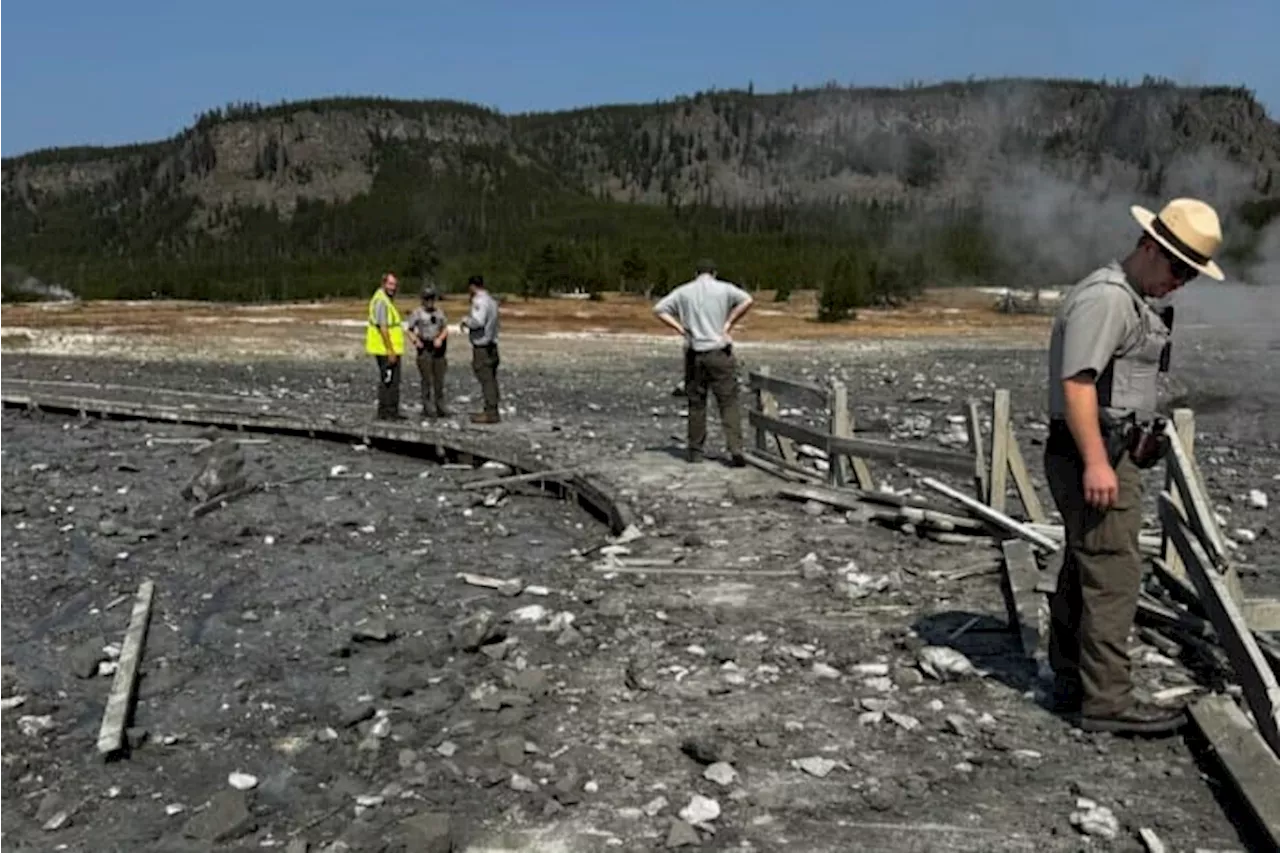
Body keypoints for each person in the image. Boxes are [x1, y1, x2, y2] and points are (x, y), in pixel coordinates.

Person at [1044, 197, 1225, 736]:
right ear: (1150, 247)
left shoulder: (1129, 299)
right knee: (1114, 574)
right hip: (1091, 452)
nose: (1181, 281)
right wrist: (1099, 462)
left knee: (1088, 565)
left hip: (1104, 448)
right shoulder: (1108, 300)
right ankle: (1108, 702)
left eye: (1190, 274)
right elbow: (1077, 384)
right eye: (1178, 268)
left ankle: (1074, 678)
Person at [653, 258, 755, 466]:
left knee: (697, 403)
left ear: (696, 273)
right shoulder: (724, 289)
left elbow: (659, 309)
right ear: (714, 273)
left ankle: (695, 451)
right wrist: (728, 323)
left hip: (694, 351)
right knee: (728, 402)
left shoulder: (684, 291)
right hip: (719, 350)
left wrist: (680, 328)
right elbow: (747, 300)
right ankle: (735, 448)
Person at [459, 274, 501, 424]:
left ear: (472, 286)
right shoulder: (492, 301)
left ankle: (491, 411)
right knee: (491, 378)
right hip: (492, 344)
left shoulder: (480, 301)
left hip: (482, 346)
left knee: (486, 378)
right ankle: (491, 407)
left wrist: (466, 321)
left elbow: (478, 321)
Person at [403, 285, 450, 418]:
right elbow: (409, 329)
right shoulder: (417, 313)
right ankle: (427, 405)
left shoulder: (439, 313)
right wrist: (415, 341)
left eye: (432, 298)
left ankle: (440, 404)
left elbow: (445, 328)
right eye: (427, 298)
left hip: (439, 348)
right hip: (425, 347)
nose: (429, 301)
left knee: (439, 379)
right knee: (426, 379)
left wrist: (440, 338)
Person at [365, 272, 405, 421]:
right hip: (385, 349)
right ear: (383, 284)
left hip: (389, 348)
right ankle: (386, 412)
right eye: (390, 284)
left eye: (394, 285)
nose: (393, 288)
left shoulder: (386, 300)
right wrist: (390, 350)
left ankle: (391, 411)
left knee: (393, 380)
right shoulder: (381, 301)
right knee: (388, 380)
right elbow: (383, 327)